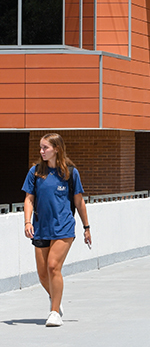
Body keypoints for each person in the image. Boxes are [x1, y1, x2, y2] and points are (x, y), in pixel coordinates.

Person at [22, 133, 91, 327]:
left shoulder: (70, 172)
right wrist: (27, 222)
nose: (41, 151)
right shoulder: (35, 172)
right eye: (41, 148)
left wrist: (86, 227)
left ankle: (54, 312)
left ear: (57, 149)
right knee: (43, 274)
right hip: (41, 228)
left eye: (46, 148)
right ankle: (56, 301)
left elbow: (79, 201)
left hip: (64, 227)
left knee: (53, 266)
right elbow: (29, 199)